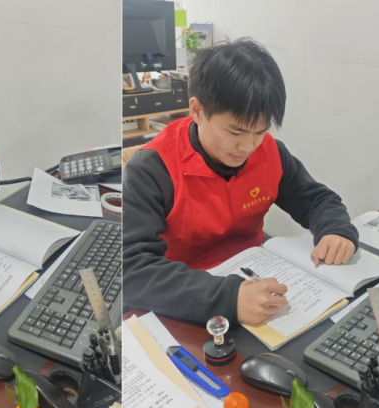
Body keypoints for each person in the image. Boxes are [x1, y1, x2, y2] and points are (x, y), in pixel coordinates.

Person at [123, 38, 359, 326]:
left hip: (254, 275)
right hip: (186, 298)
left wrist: (335, 230)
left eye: (259, 131)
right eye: (235, 132)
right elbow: (132, 270)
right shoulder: (152, 168)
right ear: (197, 111)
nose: (247, 147)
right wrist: (227, 299)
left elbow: (317, 200)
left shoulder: (270, 152)